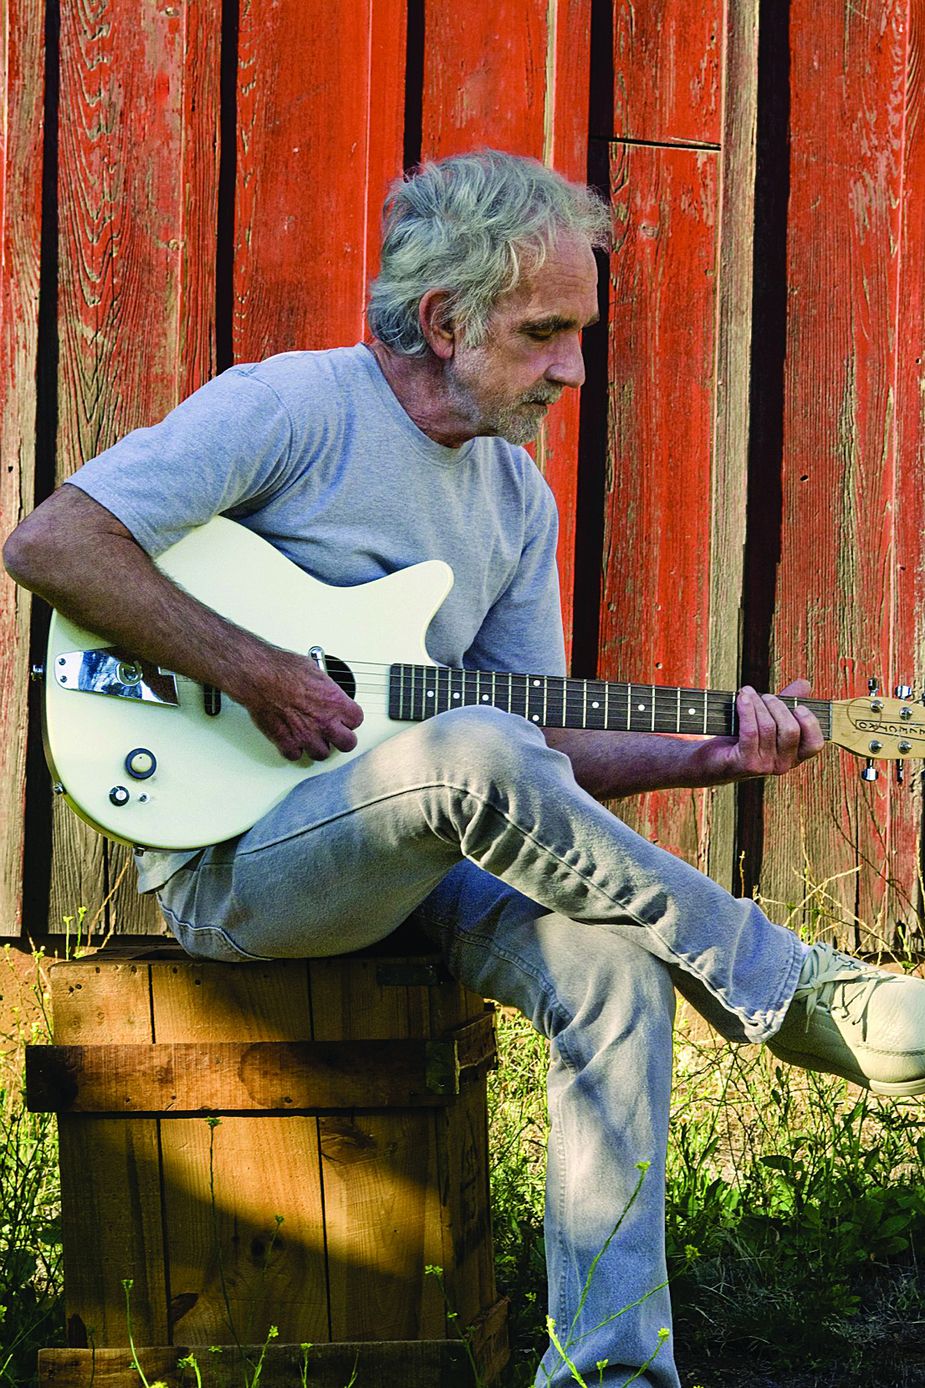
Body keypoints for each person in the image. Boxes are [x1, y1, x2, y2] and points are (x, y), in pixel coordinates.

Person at [5, 149, 925, 1388]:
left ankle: (608, 1372)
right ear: (442, 321)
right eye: (545, 331)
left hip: (412, 858)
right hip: (241, 871)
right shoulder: (290, 406)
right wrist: (258, 668)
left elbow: (533, 755)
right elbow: (54, 539)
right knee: (472, 748)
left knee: (608, 961)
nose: (573, 369)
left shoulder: (514, 497)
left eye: (580, 333)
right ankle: (783, 982)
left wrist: (714, 750)